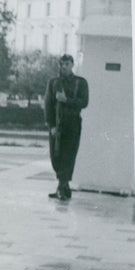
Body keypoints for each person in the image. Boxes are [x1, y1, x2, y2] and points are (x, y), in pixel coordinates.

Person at [44, 54, 89, 200]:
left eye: (67, 64)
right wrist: (51, 126)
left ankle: (61, 188)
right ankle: (64, 187)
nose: (63, 67)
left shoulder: (80, 83)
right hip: (57, 124)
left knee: (68, 155)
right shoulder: (53, 82)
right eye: (62, 64)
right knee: (55, 156)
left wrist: (66, 100)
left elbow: (84, 102)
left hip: (73, 124)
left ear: (72, 65)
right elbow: (48, 105)